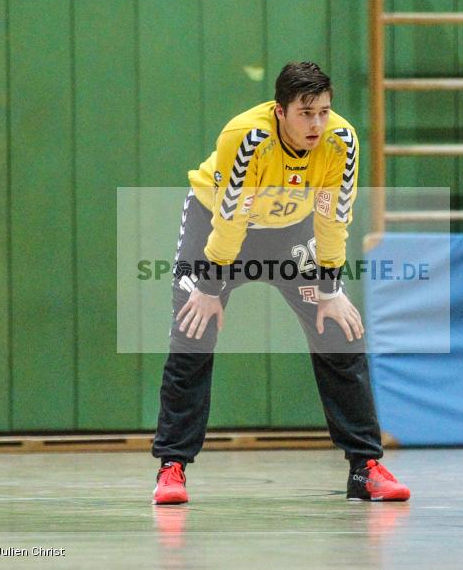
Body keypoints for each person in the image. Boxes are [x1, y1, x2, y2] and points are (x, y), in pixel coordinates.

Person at [151, 62, 410, 504]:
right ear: (280, 111)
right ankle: (172, 468)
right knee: (192, 332)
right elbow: (230, 222)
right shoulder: (246, 138)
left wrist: (331, 289)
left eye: (324, 111)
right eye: (306, 113)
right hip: (216, 226)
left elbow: (332, 217)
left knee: (339, 332)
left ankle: (365, 467)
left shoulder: (341, 140)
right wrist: (210, 289)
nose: (316, 124)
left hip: (291, 230)